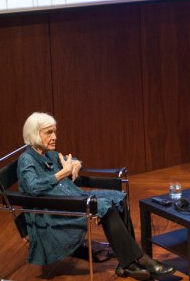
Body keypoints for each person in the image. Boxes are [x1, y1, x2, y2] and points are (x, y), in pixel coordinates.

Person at [17, 112, 175, 280]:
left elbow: (71, 160)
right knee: (105, 207)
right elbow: (33, 188)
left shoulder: (48, 154)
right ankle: (141, 259)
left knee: (118, 197)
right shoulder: (26, 160)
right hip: (54, 209)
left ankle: (127, 264)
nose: (55, 137)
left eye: (54, 131)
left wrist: (77, 163)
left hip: (71, 197)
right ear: (35, 134)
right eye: (49, 132)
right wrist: (62, 173)